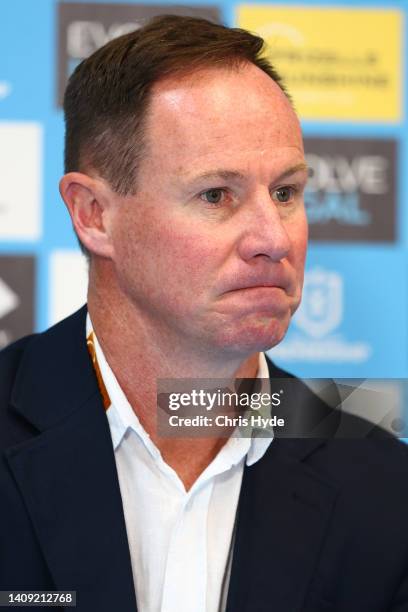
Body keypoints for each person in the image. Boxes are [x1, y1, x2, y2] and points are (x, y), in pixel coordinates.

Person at [0, 15, 407, 612]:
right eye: (216, 194)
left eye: (286, 192)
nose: (273, 238)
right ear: (93, 214)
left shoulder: (383, 483)